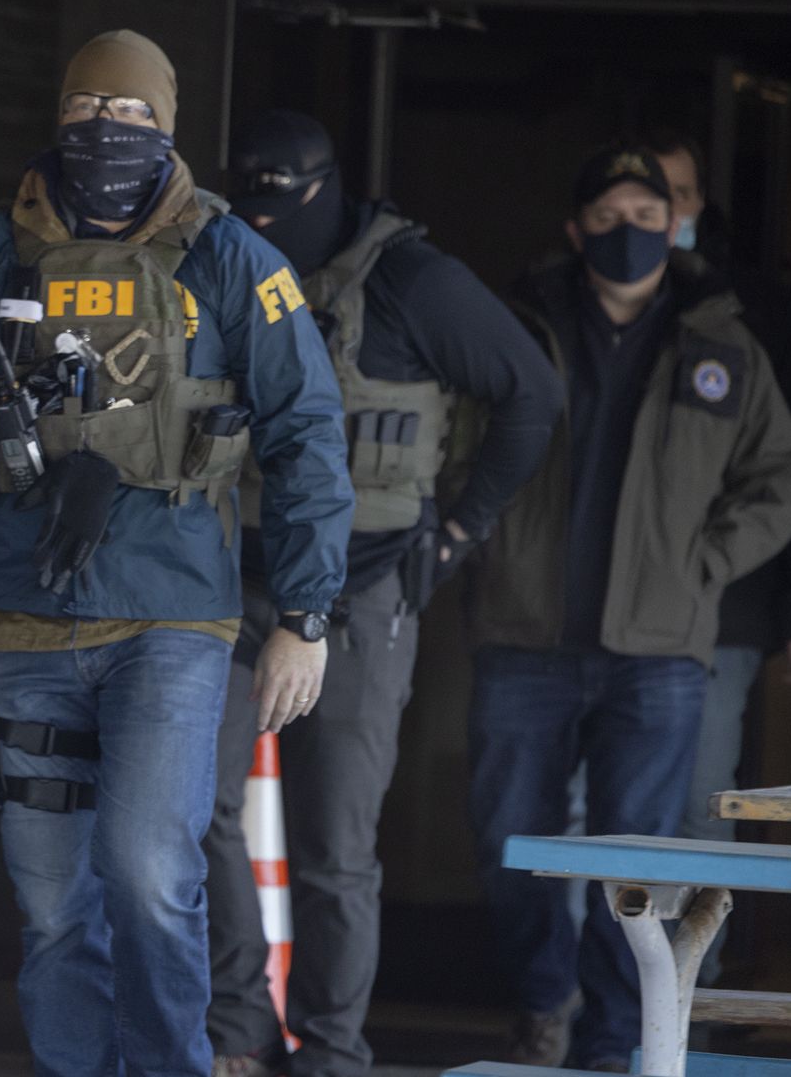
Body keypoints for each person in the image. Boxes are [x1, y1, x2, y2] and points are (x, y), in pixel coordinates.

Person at [0, 30, 354, 1077]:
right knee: (50, 907)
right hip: (16, 616)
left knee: (146, 874)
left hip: (170, 622)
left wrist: (306, 619)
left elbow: (308, 431)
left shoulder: (232, 260)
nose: (107, 130)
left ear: (167, 126)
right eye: (88, 108)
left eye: (130, 114)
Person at [202, 110, 564, 1077]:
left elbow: (533, 393)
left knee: (334, 844)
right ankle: (238, 1027)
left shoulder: (412, 281)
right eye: (251, 207)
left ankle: (330, 1050)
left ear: (325, 191)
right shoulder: (221, 260)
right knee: (197, 814)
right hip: (227, 581)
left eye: (283, 206)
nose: (264, 225)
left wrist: (459, 531)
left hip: (361, 590)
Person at [463, 141, 791, 1072]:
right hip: (524, 634)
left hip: (658, 648)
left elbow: (783, 476)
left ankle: (618, 1044)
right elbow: (454, 444)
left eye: (647, 217)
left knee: (640, 864)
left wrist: (704, 563)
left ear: (676, 226)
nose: (630, 233)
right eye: (610, 217)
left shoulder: (721, 340)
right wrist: (478, 537)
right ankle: (544, 1000)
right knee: (512, 843)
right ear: (577, 229)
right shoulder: (516, 325)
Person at [646, 130, 791, 975]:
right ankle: (604, 1012)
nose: (666, 213)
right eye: (650, 193)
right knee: (597, 811)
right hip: (599, 618)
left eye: (682, 194)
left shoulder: (749, 310)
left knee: (701, 801)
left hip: (719, 604)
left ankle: (692, 996)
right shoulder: (580, 301)